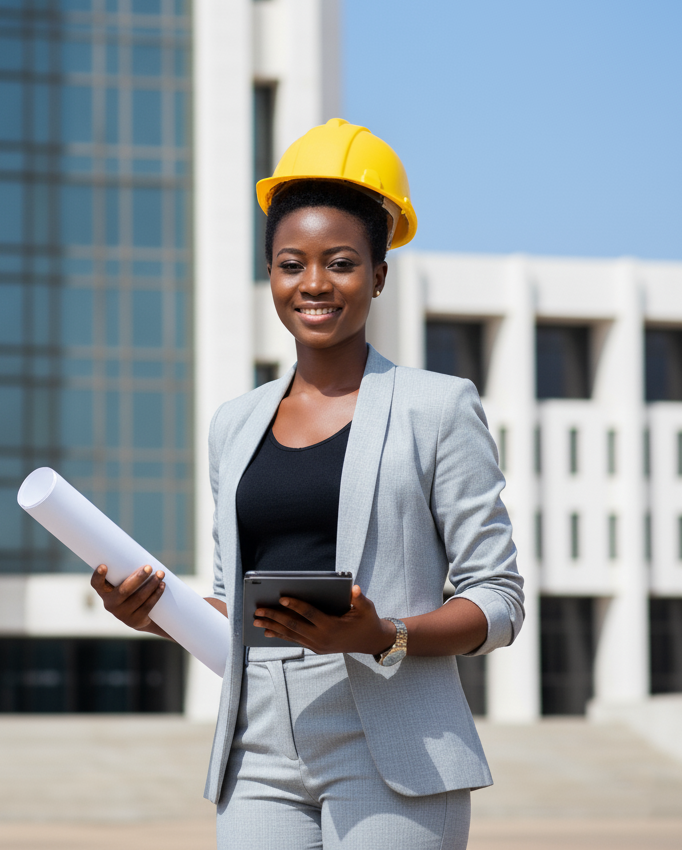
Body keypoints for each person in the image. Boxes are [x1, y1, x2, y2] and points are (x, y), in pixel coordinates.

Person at [91, 118, 524, 850]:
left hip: (393, 736)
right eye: (291, 263)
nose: (314, 283)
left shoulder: (438, 408)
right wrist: (157, 611)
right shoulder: (234, 424)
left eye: (342, 263)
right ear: (270, 275)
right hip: (258, 740)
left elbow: (498, 598)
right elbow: (234, 606)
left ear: (378, 275)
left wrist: (384, 634)